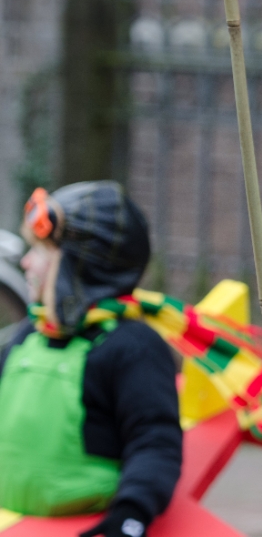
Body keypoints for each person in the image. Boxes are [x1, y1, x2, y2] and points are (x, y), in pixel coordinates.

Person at [0, 182, 182, 537]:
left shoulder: (132, 348)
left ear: (78, 267)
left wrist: (131, 515)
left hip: (86, 526)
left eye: (40, 251)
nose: (25, 262)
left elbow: (154, 442)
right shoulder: (30, 335)